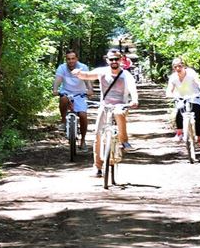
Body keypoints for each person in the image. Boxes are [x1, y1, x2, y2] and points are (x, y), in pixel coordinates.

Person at [72, 48, 138, 176]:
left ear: (121, 60)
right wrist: (78, 73)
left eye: (116, 59)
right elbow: (87, 75)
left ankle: (124, 140)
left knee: (119, 113)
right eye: (111, 59)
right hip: (105, 105)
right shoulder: (102, 72)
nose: (114, 61)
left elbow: (132, 88)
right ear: (107, 60)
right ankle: (97, 166)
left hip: (120, 105)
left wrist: (134, 100)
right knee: (97, 134)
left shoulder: (126, 75)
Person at [52, 50, 93, 151]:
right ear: (66, 60)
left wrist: (90, 90)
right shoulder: (62, 68)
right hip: (66, 92)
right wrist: (55, 89)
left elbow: (87, 80)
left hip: (80, 94)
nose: (71, 61)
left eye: (73, 58)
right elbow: (58, 79)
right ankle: (63, 120)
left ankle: (83, 141)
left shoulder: (83, 67)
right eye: (68, 59)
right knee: (63, 98)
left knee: (83, 116)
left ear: (77, 59)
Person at [165, 56, 200, 149]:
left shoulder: (191, 73)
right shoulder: (173, 77)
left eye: (179, 66)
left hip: (194, 97)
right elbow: (170, 89)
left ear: (183, 66)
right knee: (180, 111)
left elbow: (199, 82)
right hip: (181, 98)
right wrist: (169, 94)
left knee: (196, 117)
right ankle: (179, 133)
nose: (177, 68)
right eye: (175, 67)